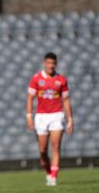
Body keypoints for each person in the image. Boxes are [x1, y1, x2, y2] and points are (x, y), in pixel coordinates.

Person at [26, 52, 74, 186]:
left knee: (56, 146)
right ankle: (48, 172)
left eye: (53, 63)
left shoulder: (61, 80)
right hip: (41, 116)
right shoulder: (36, 79)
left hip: (57, 115)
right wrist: (29, 116)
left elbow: (66, 100)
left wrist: (70, 119)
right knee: (42, 150)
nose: (51, 66)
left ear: (56, 64)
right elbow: (30, 98)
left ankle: (53, 177)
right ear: (44, 63)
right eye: (48, 63)